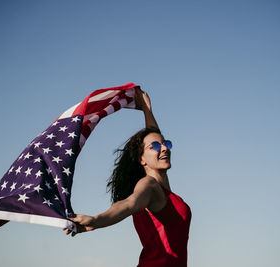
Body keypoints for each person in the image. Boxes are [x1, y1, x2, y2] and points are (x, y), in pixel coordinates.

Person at [63, 88, 192, 267]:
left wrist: (147, 109)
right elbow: (129, 204)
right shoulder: (148, 185)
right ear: (141, 159)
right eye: (155, 146)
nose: (164, 148)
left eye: (165, 144)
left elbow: (153, 135)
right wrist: (96, 220)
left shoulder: (164, 191)